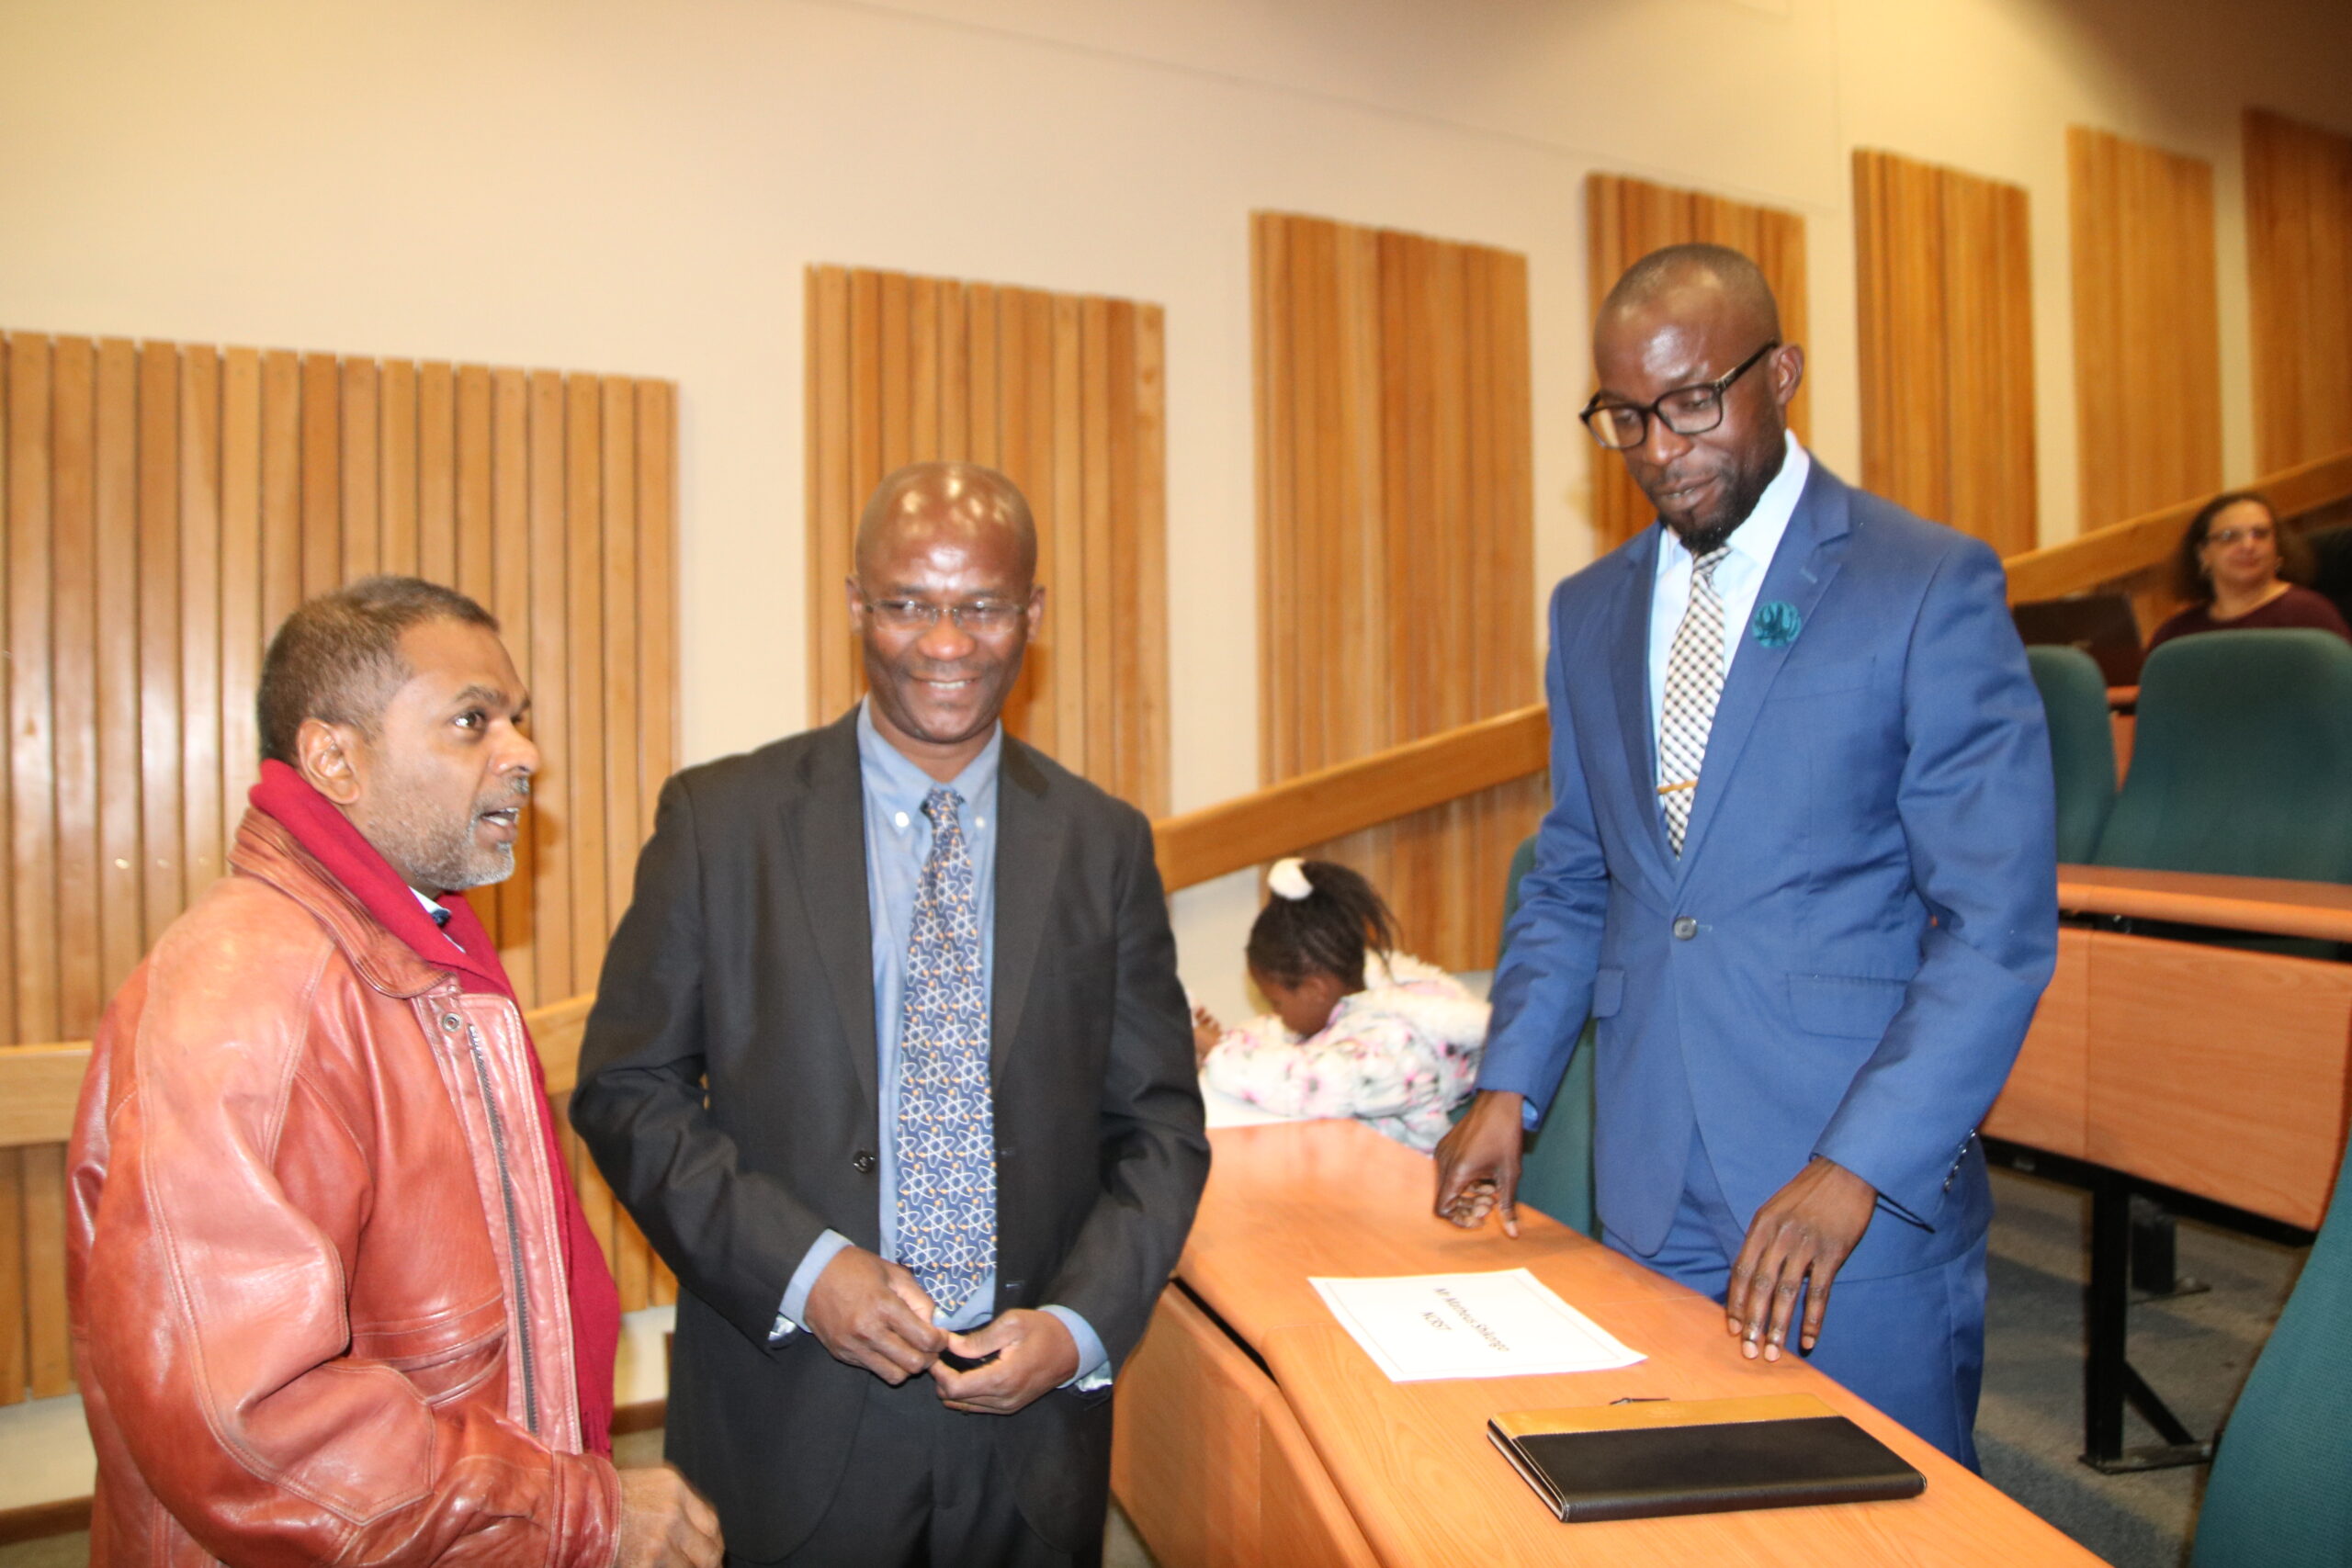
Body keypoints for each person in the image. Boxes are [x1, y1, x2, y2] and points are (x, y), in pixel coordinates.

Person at [1433, 243, 2058, 1469]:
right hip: (1648, 1173)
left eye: (1691, 403)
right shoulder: (1588, 609)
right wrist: (1510, 1082)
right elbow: (1578, 873)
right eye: (1625, 418)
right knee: (1669, 1519)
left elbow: (1993, 927)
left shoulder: (1925, 582)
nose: (1660, 449)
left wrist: (1857, 1164)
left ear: (1782, 373)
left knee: (1887, 1529)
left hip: (1846, 1190)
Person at [571, 461, 1208, 1568]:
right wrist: (805, 1270)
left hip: (1032, 1443)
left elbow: (1158, 1129)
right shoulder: (722, 822)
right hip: (787, 1419)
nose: (946, 643)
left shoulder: (1104, 845)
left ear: (1032, 613)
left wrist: (1078, 1330)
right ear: (856, 604)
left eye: (982, 606)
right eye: (909, 603)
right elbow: (630, 1092)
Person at [67, 578, 722, 1568]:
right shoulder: (248, 997)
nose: (524, 754)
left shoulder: (416, 945)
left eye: (518, 719)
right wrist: (573, 1514)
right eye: (472, 721)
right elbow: (254, 1428)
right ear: (335, 759)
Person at [1193, 857, 1487, 1152]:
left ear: (1315, 990)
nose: (1278, 1016)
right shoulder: (1344, 1008)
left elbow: (1307, 1083)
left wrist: (1214, 1047)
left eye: (1277, 1003)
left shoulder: (1401, 1047)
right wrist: (1221, 1044)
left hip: (1405, 1176)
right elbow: (1285, 1045)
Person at [2144, 490, 2351, 653]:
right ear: (2203, 554)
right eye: (2229, 537)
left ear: (2277, 547)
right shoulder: (2176, 635)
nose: (2248, 545)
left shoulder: (2309, 617)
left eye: (2260, 534)